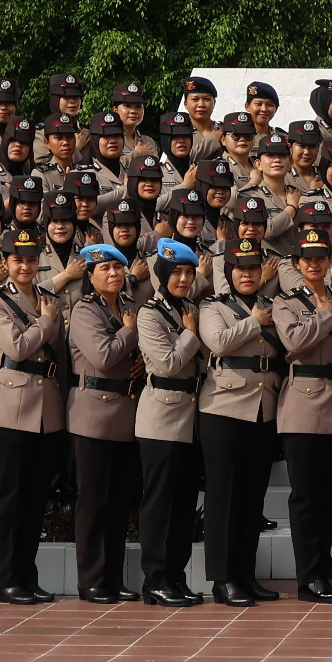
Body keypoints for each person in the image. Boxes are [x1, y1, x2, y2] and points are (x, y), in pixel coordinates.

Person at [0, 222, 66, 604]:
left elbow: (59, 356)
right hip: (9, 405)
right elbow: (16, 347)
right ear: (5, 262)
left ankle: (27, 576)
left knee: (35, 498)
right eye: (18, 260)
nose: (25, 267)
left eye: (31, 259)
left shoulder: (49, 298)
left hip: (46, 406)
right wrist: (45, 322)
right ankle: (5, 580)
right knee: (9, 495)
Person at [197, 241, 287, 606]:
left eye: (252, 268)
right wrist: (254, 322)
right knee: (224, 496)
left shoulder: (271, 304)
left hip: (263, 406)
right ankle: (223, 579)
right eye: (240, 268)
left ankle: (245, 575)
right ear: (229, 272)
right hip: (223, 407)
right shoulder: (213, 306)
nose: (247, 274)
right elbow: (218, 342)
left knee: (252, 497)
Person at [274, 227, 332, 602]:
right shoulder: (285, 302)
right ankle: (308, 577)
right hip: (303, 406)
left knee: (330, 500)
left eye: (320, 258)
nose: (314, 264)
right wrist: (324, 314)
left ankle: (326, 573)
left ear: (329, 261)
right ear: (297, 263)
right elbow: (295, 342)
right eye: (306, 259)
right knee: (307, 498)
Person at [68, 241, 144, 603]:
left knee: (118, 503)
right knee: (93, 500)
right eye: (105, 269)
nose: (113, 274)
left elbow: (135, 351)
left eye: (118, 268)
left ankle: (113, 578)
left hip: (125, 411)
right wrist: (129, 333)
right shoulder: (85, 309)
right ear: (90, 275)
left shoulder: (128, 305)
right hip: (93, 413)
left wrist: (140, 357)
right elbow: (103, 356)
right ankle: (91, 580)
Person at [134, 236, 208, 607]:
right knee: (159, 505)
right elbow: (168, 363)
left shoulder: (191, 307)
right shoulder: (149, 313)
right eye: (175, 272)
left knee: (183, 506)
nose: (182, 279)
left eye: (188, 273)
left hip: (191, 417)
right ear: (162, 275)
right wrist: (191, 333)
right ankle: (155, 580)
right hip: (161, 417)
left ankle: (176, 577)